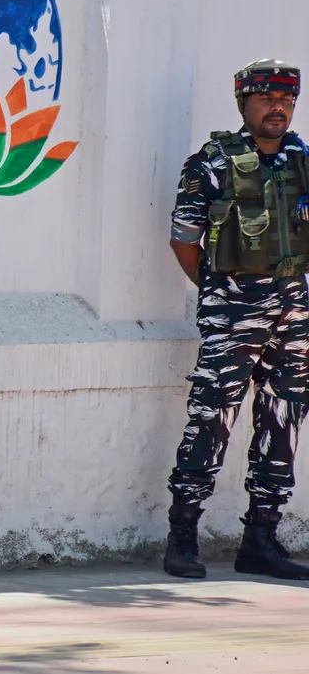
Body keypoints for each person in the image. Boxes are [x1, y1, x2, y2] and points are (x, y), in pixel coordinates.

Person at [165, 59, 309, 581]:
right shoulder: (211, 163)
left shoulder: (302, 161)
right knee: (211, 418)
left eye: (288, 100)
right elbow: (184, 239)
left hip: (293, 314)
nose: (279, 108)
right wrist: (217, 291)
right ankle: (183, 536)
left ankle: (261, 541)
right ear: (244, 104)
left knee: (284, 420)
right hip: (232, 311)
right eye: (268, 99)